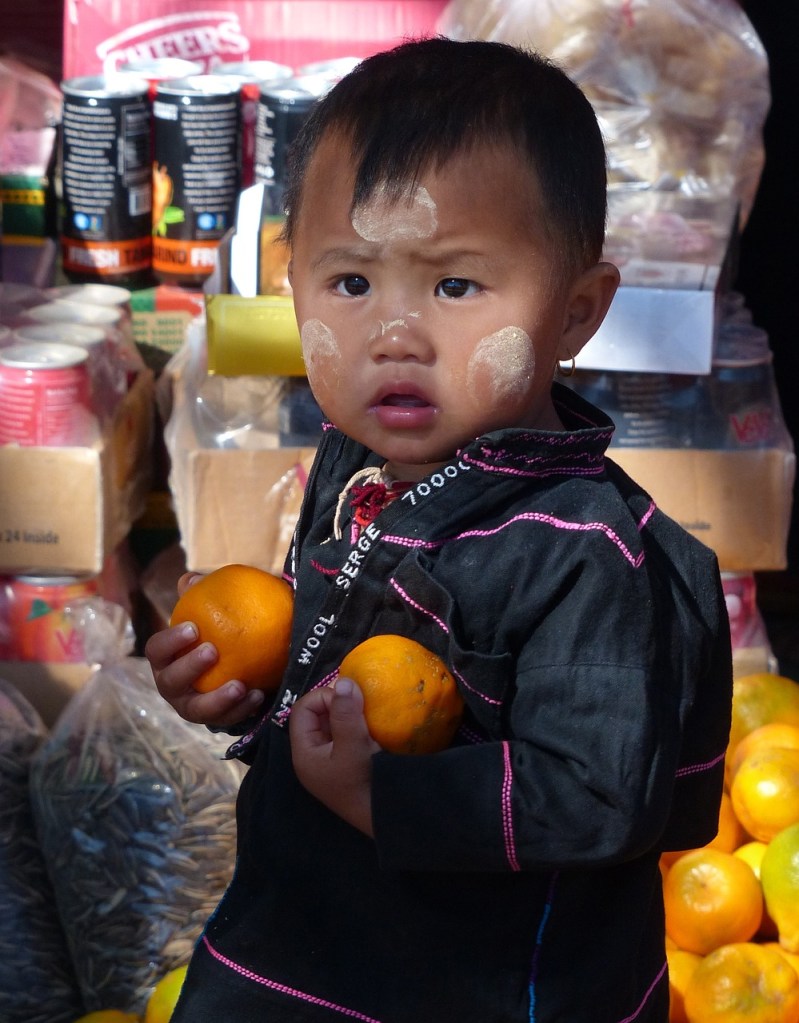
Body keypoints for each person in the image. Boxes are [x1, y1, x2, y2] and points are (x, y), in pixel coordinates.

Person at [146, 37, 732, 1023]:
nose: (394, 334)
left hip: (479, 980)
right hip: (315, 936)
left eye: (455, 286)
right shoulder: (357, 462)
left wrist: (381, 796)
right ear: (292, 286)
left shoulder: (587, 551)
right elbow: (340, 666)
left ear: (576, 312)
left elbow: (597, 796)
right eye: (351, 284)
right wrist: (252, 693)